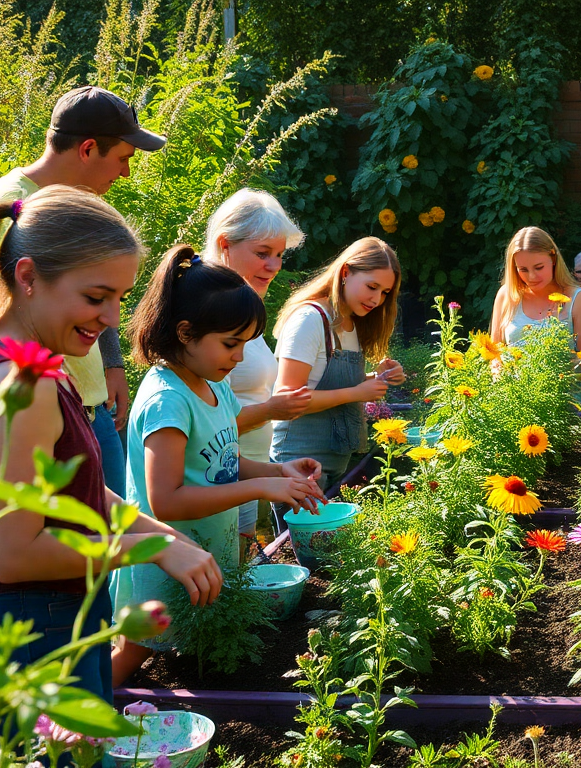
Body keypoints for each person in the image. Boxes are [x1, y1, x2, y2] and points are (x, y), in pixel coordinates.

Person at [0, 186, 220, 701]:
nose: (112, 318)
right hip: (18, 636)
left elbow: (78, 493)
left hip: (3, 626)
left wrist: (165, 537)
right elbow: (13, 555)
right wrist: (148, 550)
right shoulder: (22, 385)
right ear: (28, 276)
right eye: (96, 297)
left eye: (120, 298)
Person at [111, 246, 326, 684]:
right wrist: (259, 489)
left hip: (208, 554)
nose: (239, 357)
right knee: (135, 651)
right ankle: (66, 717)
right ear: (186, 333)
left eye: (245, 344)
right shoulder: (167, 400)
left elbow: (226, 462)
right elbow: (166, 500)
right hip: (165, 564)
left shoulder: (215, 385)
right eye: (231, 344)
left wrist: (278, 472)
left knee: (202, 652)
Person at [0, 85, 167, 496]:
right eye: (123, 158)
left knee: (104, 524)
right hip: (38, 402)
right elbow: (2, 317)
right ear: (88, 149)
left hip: (88, 400)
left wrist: (112, 363)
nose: (125, 173)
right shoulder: (10, 205)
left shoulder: (81, 202)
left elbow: (98, 290)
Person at [204, 189, 313, 545]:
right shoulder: (209, 318)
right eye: (262, 253)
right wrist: (271, 410)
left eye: (279, 255)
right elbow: (202, 426)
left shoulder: (245, 309)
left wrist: (276, 471)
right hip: (215, 482)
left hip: (246, 472)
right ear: (225, 244)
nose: (274, 266)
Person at [270, 237, 405, 522]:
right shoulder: (310, 319)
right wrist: (358, 392)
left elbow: (326, 382)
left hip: (336, 464)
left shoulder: (351, 323)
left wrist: (379, 378)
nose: (376, 299)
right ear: (345, 273)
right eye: (372, 287)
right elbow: (286, 399)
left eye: (384, 292)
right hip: (300, 468)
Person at [491, 226, 581, 355]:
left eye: (539, 267)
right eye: (523, 270)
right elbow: (494, 354)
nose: (532, 277)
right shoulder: (507, 295)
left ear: (553, 259)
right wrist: (497, 366)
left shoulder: (577, 298)